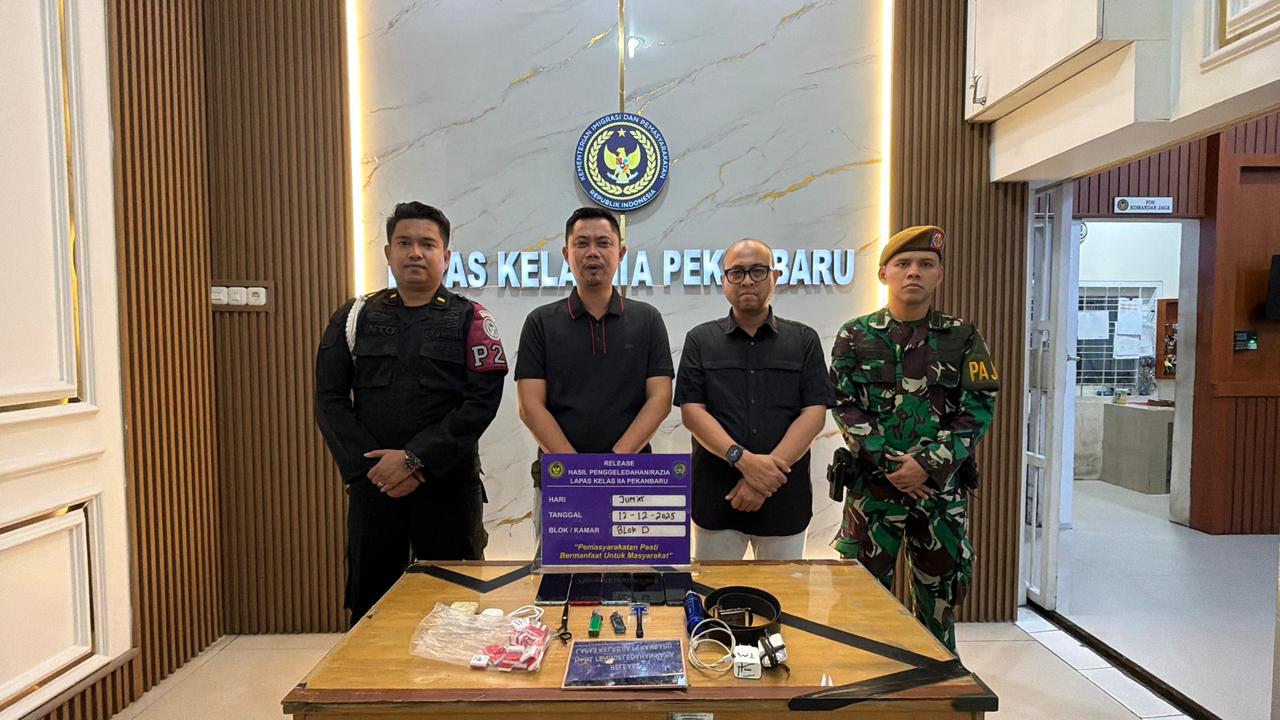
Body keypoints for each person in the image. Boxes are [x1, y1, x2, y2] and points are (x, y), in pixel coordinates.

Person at [315, 201, 507, 625]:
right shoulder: (353, 317)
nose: (415, 253)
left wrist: (415, 461)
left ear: (446, 256)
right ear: (388, 252)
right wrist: (375, 471)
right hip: (375, 487)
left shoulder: (471, 318)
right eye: (404, 243)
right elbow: (329, 400)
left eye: (427, 244)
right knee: (372, 606)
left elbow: (481, 402)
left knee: (455, 605)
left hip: (448, 487)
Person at [829, 225, 999, 651]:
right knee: (863, 600)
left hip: (939, 493)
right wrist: (892, 465)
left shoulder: (962, 337)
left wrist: (926, 465)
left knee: (938, 600)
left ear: (940, 275)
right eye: (903, 264)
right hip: (874, 492)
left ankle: (937, 676)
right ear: (884, 274)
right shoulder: (855, 335)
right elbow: (843, 405)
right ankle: (869, 678)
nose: (913, 272)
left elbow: (978, 408)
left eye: (926, 264)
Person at [515, 207, 673, 546]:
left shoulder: (647, 319)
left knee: (633, 575)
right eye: (582, 243)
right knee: (563, 576)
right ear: (566, 253)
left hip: (633, 479)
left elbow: (660, 399)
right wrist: (579, 474)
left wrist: (612, 467)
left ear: (621, 253)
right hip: (560, 481)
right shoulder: (540, 322)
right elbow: (530, 406)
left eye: (603, 243)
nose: (592, 253)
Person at [674, 238, 833, 560]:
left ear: (775, 277)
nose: (747, 280)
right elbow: (692, 412)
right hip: (718, 497)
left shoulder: (803, 339)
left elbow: (814, 414)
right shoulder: (700, 339)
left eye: (758, 271)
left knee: (785, 591)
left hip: (783, 498)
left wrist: (763, 480)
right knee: (715, 590)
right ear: (724, 281)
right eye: (737, 272)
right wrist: (743, 461)